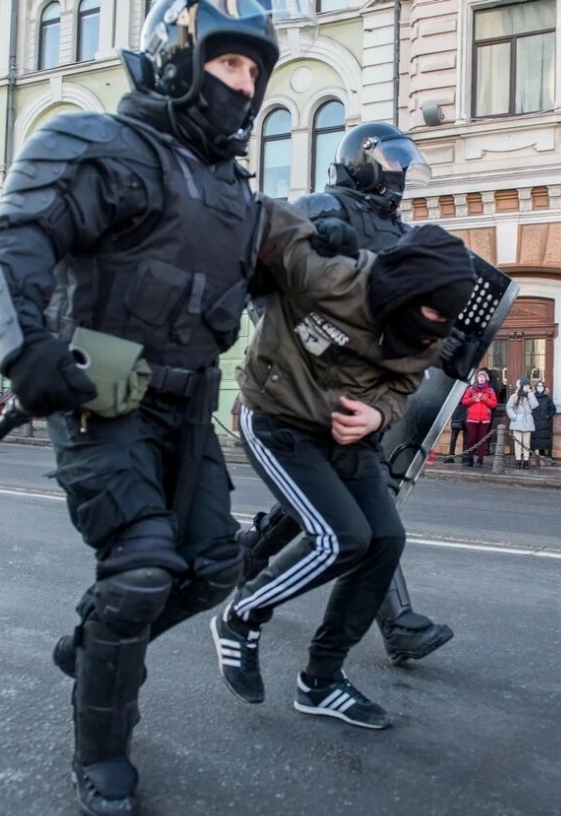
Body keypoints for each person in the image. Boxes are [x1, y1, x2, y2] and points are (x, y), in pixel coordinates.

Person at [0, 0, 313, 816]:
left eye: (255, 73)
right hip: (100, 395)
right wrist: (26, 349)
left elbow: (310, 271)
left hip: (189, 410)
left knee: (213, 567)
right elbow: (8, 247)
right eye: (230, 64)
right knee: (142, 566)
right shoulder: (104, 147)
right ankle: (103, 747)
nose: (246, 84)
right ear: (178, 57)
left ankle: (92, 646)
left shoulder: (238, 196)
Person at [211, 223, 476, 730]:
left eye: (449, 318)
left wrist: (378, 415)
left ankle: (321, 681)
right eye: (434, 312)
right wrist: (308, 226)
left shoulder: (426, 331)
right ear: (406, 290)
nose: (438, 328)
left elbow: (402, 383)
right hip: (276, 420)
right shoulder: (330, 276)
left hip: (347, 439)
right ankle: (242, 615)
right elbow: (254, 216)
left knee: (383, 540)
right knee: (339, 539)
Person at [234, 121, 457, 666]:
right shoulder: (318, 207)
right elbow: (265, 278)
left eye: (406, 164)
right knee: (360, 507)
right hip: (303, 385)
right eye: (392, 162)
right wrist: (299, 346)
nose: (401, 174)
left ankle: (253, 554)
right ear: (362, 160)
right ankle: (396, 626)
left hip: (364, 393)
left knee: (341, 500)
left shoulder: (405, 235)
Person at [461, 368, 498, 467]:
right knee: (471, 439)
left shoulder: (490, 390)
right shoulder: (471, 389)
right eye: (480, 377)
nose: (481, 378)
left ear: (486, 379)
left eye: (483, 377)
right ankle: (470, 458)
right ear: (477, 378)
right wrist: (473, 399)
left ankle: (480, 460)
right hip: (472, 418)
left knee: (482, 440)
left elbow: (494, 404)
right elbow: (464, 402)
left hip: (484, 419)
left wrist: (485, 399)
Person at [506, 377, 538, 468]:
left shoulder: (530, 396)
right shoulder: (514, 396)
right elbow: (509, 407)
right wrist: (514, 417)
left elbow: (534, 405)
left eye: (528, 385)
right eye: (526, 385)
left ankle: (526, 461)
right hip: (517, 422)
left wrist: (531, 394)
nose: (527, 387)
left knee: (527, 443)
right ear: (522, 386)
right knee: (518, 443)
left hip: (528, 422)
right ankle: (518, 460)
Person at [529, 378, 556, 462]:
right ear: (535, 387)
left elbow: (553, 409)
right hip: (534, 421)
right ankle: (532, 457)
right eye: (538, 386)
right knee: (533, 440)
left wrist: (548, 416)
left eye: (541, 386)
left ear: (544, 387)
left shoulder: (547, 398)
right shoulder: (531, 397)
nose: (540, 387)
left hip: (544, 423)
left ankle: (542, 457)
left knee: (543, 441)